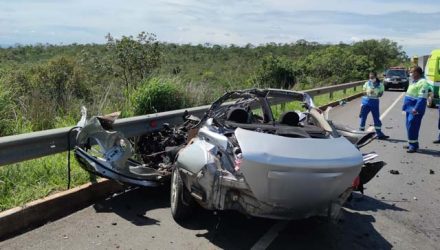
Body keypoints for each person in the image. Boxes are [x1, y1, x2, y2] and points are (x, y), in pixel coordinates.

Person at [402, 66, 431, 152]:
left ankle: (413, 146)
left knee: (413, 126)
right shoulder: (413, 81)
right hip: (409, 108)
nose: (410, 74)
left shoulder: (423, 83)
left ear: (417, 73)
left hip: (415, 109)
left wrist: (416, 108)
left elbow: (422, 98)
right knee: (408, 125)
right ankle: (412, 143)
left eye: (412, 72)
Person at [359, 72, 389, 139]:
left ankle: (379, 133)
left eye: (372, 77)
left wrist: (376, 93)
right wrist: (367, 92)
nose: (371, 78)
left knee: (376, 118)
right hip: (366, 102)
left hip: (374, 102)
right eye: (370, 77)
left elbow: (381, 94)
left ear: (375, 77)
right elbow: (363, 92)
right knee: (363, 117)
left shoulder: (380, 85)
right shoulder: (367, 83)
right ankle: (361, 133)